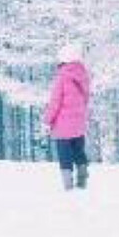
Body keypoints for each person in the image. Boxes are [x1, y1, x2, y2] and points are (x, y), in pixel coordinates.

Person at [43, 42, 91, 190]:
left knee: (65, 155)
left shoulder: (62, 77)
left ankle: (68, 185)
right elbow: (86, 98)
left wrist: (47, 121)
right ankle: (82, 178)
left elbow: (55, 102)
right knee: (79, 151)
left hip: (63, 126)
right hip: (79, 123)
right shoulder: (84, 75)